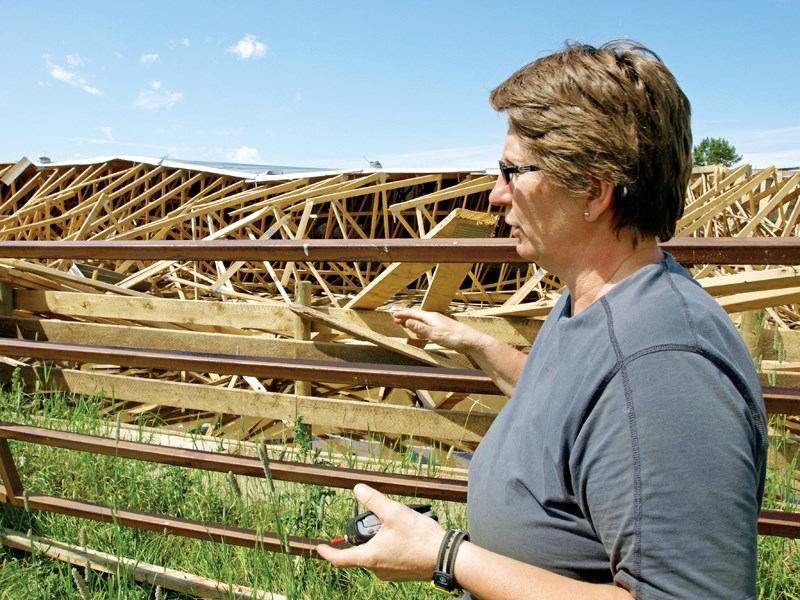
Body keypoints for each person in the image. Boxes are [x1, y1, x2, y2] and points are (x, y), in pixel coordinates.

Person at [317, 40, 768, 599]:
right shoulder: (590, 301)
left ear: (594, 190)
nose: (494, 195)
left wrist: (448, 557)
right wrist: (470, 341)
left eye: (512, 171)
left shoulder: (665, 370)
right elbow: (563, 406)